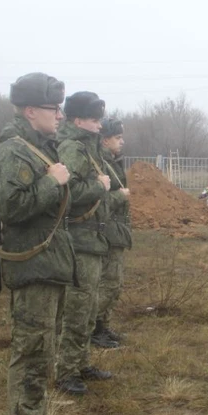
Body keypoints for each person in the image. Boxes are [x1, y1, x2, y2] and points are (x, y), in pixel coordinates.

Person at [0, 72, 79, 415]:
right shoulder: (14, 150)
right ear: (30, 111)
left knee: (45, 352)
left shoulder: (39, 147)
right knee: (30, 354)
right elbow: (10, 207)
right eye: (51, 108)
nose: (59, 115)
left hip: (49, 264)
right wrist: (52, 182)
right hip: (33, 266)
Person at [55, 92, 116, 396]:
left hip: (92, 238)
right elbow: (69, 193)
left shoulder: (88, 147)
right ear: (77, 120)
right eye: (93, 119)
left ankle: (81, 363)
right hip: (79, 239)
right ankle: (66, 370)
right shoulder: (73, 148)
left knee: (88, 306)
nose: (99, 125)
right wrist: (99, 187)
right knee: (77, 308)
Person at [93, 118, 132, 347]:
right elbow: (100, 199)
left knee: (114, 283)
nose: (122, 142)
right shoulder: (101, 164)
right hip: (107, 229)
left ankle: (103, 326)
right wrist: (121, 196)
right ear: (105, 140)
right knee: (109, 282)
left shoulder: (112, 162)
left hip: (116, 228)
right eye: (117, 137)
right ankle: (95, 329)